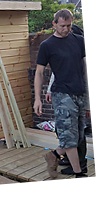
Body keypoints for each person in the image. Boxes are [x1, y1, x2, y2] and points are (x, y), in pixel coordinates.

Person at [34, 9, 87, 176]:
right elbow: (39, 73)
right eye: (62, 26)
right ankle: (78, 172)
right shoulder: (47, 46)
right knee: (69, 136)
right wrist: (38, 99)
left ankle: (54, 155)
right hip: (62, 94)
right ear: (54, 24)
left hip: (79, 93)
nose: (66, 29)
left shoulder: (78, 41)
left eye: (69, 26)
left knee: (78, 135)